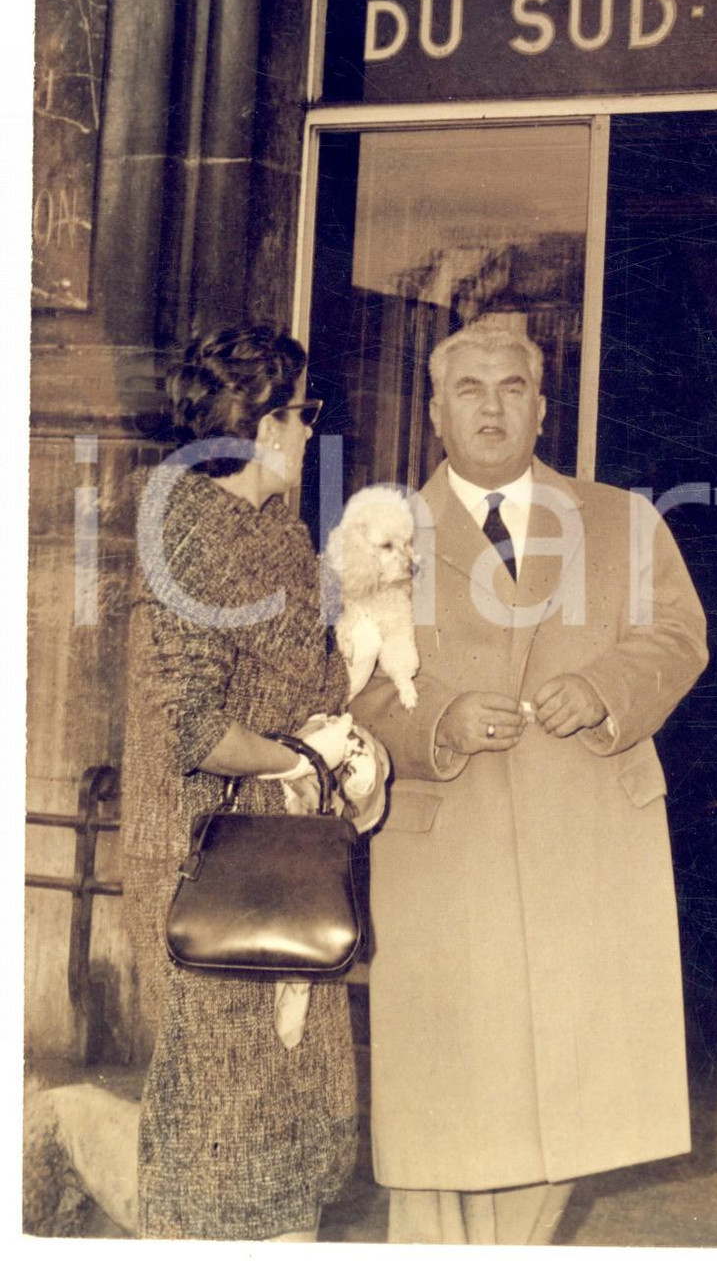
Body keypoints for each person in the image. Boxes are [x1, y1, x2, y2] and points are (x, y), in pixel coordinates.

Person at [351, 317, 709, 1246]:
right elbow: (347, 686)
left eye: (512, 388)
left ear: (543, 409)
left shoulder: (621, 520)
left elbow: (677, 636)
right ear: (435, 412)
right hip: (450, 851)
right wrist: (438, 721)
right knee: (449, 1101)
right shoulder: (380, 535)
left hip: (588, 843)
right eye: (468, 390)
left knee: (570, 1098)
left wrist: (605, 688)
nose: (492, 408)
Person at [120, 324, 387, 1241]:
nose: (312, 431)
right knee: (221, 1150)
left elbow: (308, 676)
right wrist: (301, 759)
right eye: (304, 413)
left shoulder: (274, 532)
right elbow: (193, 730)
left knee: (283, 1142)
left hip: (280, 863)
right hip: (209, 869)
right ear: (265, 426)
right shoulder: (188, 535)